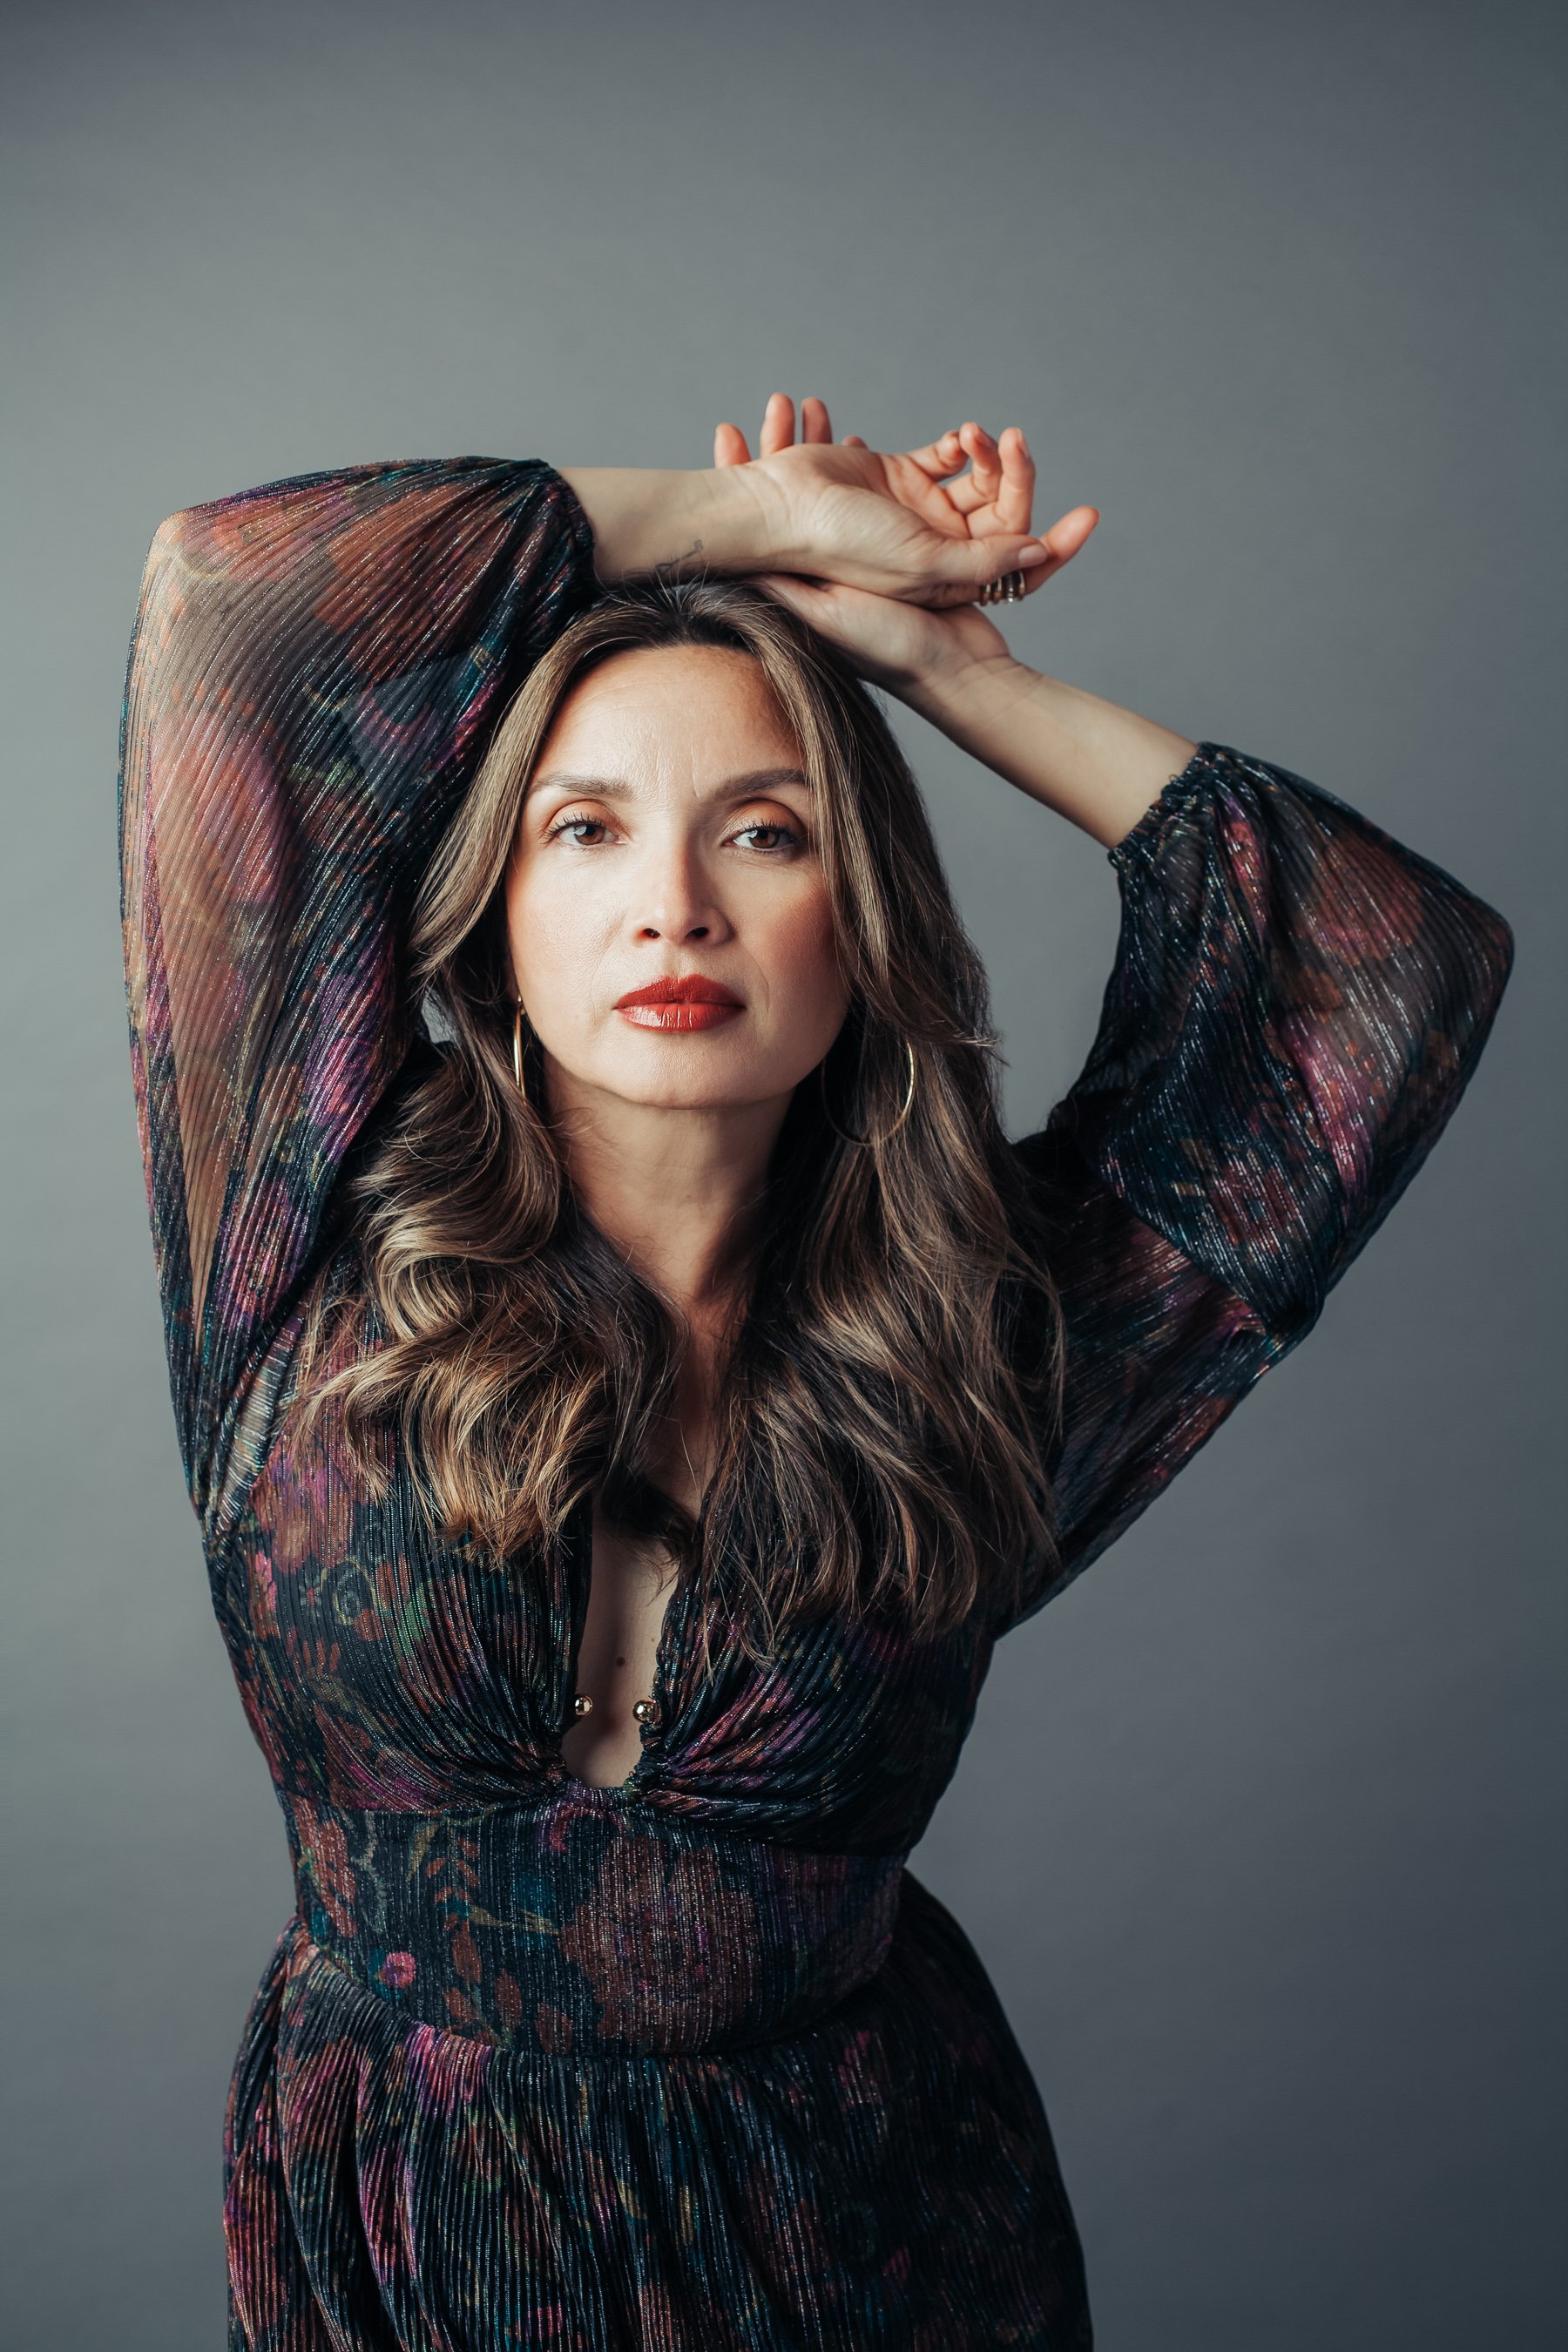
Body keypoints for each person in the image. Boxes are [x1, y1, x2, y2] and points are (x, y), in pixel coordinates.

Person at [118, 395, 1513, 2349]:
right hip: (411, 2243)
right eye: (584, 830)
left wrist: (938, 660)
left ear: (859, 915)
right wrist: (745, 517)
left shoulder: (987, 1337)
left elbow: (1384, 960)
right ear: (493, 919)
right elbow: (242, 606)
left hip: (874, 2238)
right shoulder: (301, 1233)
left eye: (762, 831)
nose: (672, 904)